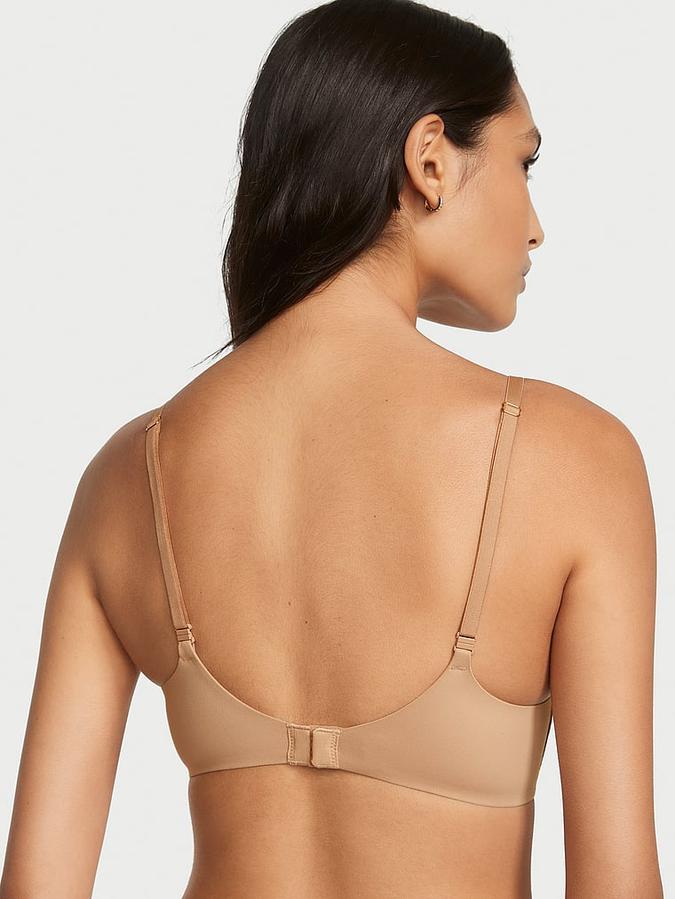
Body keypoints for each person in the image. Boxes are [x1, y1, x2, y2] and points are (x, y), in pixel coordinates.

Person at [0, 0, 663, 896]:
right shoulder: (576, 459)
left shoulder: (131, 471)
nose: (536, 223)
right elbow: (617, 881)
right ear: (430, 160)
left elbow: (36, 882)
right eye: (524, 161)